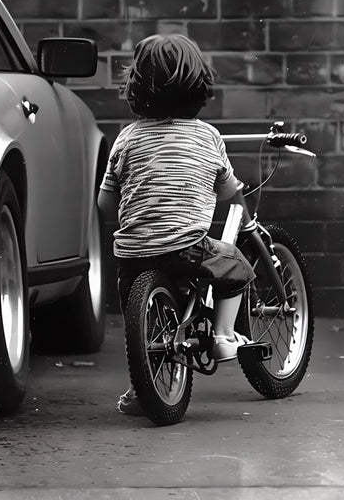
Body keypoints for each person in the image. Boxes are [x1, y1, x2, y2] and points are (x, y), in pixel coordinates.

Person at [97, 33, 256, 415]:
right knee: (236, 266)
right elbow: (225, 193)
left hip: (132, 254)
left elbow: (105, 203)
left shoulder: (127, 138)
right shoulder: (208, 136)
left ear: (136, 87)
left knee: (141, 328)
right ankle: (221, 336)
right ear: (199, 86)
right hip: (186, 246)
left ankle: (141, 391)